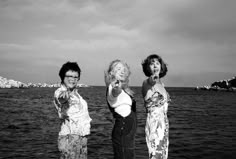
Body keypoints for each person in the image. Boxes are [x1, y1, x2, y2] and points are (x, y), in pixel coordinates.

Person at [53, 61, 92, 159]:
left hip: (81, 137)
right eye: (69, 76)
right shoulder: (60, 92)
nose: (72, 79)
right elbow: (61, 98)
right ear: (63, 77)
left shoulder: (76, 95)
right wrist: (64, 97)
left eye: (75, 77)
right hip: (70, 137)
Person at [104, 59, 137, 159]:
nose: (122, 71)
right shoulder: (112, 87)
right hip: (123, 131)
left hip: (128, 132)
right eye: (118, 69)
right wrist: (116, 88)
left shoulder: (124, 90)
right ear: (111, 73)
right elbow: (115, 92)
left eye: (124, 69)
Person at [141, 54, 170, 159]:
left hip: (164, 123)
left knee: (162, 155)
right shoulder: (147, 82)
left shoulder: (162, 85)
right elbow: (151, 80)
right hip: (154, 124)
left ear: (161, 67)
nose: (155, 66)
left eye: (157, 63)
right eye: (151, 64)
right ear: (147, 68)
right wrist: (153, 78)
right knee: (155, 155)